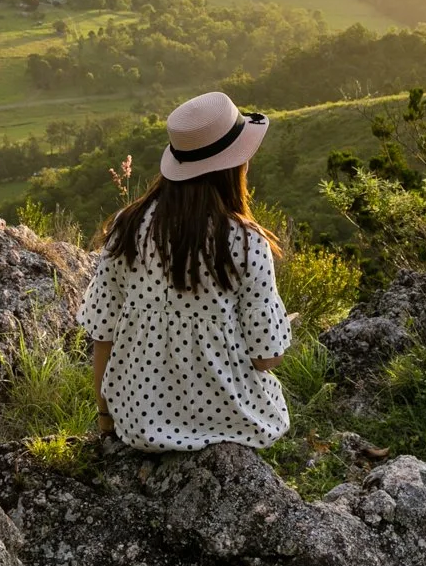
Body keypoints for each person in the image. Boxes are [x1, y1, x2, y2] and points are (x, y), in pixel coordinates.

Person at [80, 90, 294, 451]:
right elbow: (266, 356)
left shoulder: (127, 227)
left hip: (138, 423)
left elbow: (103, 333)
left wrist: (106, 418)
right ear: (233, 167)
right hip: (228, 422)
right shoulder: (245, 243)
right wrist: (280, 323)